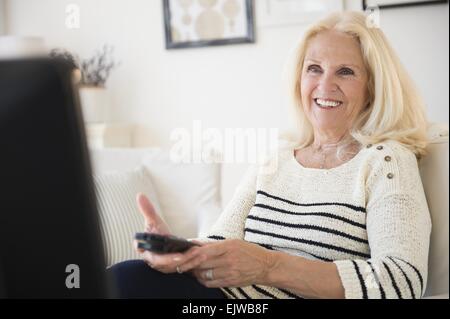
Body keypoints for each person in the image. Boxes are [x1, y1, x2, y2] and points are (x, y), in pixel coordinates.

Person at [109, 11, 431, 299]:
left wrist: (268, 266)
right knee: (121, 278)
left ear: (372, 88)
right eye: (314, 69)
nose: (325, 84)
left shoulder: (386, 161)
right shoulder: (276, 156)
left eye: (345, 72)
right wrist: (180, 253)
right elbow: (221, 241)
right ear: (298, 79)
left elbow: (400, 281)